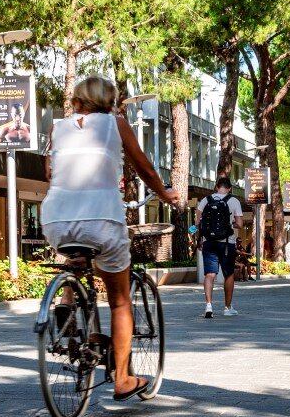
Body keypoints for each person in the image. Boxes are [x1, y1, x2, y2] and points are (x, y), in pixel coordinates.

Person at [43, 75, 181, 400]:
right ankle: (122, 379)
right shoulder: (116, 123)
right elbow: (145, 169)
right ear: (109, 101)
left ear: (77, 99)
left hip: (56, 218)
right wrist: (164, 193)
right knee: (119, 301)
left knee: (76, 249)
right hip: (103, 218)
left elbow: (51, 173)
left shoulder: (57, 127)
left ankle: (66, 300)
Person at [196, 175, 243, 319]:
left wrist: (199, 240)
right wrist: (229, 224)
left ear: (217, 187)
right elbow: (239, 224)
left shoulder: (205, 200)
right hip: (227, 243)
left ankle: (208, 305)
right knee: (228, 274)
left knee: (209, 274)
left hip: (209, 242)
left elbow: (198, 223)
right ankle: (227, 307)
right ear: (229, 189)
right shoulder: (234, 201)